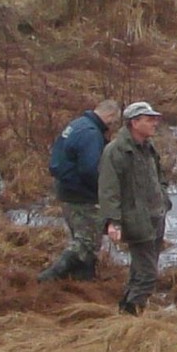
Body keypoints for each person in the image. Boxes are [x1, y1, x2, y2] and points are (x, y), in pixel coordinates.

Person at [98, 101, 172, 316]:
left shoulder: (149, 147)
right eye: (149, 120)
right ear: (134, 122)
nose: (154, 124)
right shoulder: (115, 152)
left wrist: (163, 198)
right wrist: (113, 222)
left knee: (140, 270)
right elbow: (108, 190)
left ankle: (125, 310)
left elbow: (160, 176)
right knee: (148, 274)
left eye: (154, 119)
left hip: (156, 217)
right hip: (136, 220)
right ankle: (132, 314)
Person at [37, 99, 121, 282]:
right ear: (110, 116)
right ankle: (49, 277)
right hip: (82, 196)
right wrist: (103, 192)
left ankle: (84, 283)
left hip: (66, 190)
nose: (112, 127)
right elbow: (90, 169)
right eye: (113, 123)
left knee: (83, 238)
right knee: (87, 243)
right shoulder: (91, 134)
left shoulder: (77, 125)